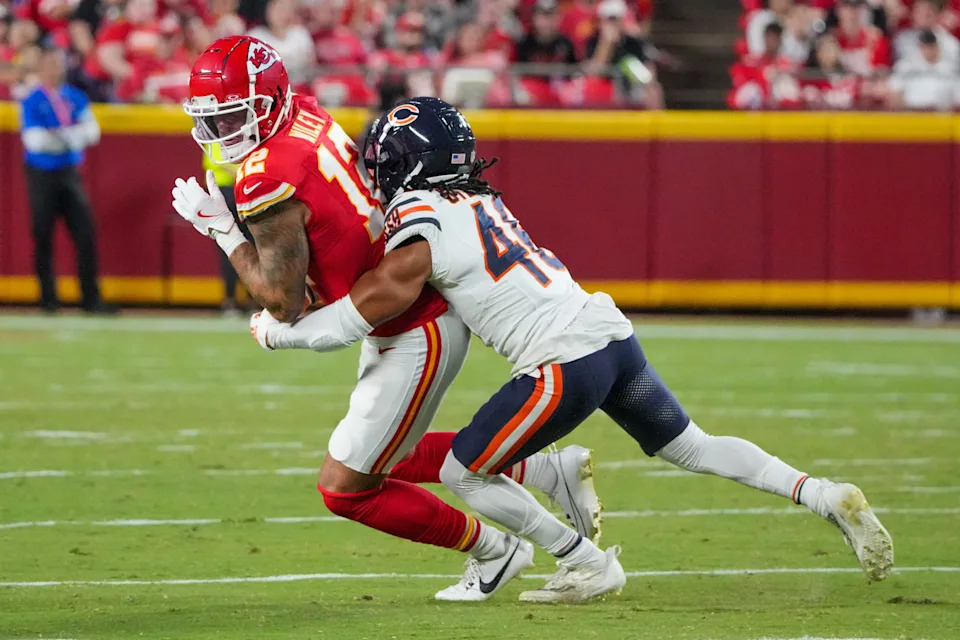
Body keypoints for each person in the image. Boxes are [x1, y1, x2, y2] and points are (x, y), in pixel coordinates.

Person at [250, 97, 896, 602]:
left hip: (561, 363)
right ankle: (821, 493)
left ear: (405, 167)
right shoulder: (477, 200)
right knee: (693, 446)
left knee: (464, 473)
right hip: (609, 336)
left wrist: (276, 330)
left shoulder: (419, 229)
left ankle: (584, 563)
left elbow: (348, 322)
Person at [171, 36, 600, 601]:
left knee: (346, 488)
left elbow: (282, 302)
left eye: (233, 116)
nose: (222, 132)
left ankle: (510, 551)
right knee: (388, 453)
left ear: (269, 102)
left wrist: (223, 231)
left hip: (408, 324)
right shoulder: (304, 113)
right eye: (213, 119)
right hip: (400, 306)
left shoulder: (264, 173)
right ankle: (544, 472)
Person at [20, 46, 113, 314]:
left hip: (70, 173)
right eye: (51, 63)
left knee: (85, 233)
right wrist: (71, 136)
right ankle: (48, 300)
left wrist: (59, 136)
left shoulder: (75, 96)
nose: (56, 69)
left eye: (60, 63)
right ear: (41, 68)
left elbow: (92, 132)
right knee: (43, 236)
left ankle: (91, 299)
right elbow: (35, 141)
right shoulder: (32, 100)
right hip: (41, 174)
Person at [888, 28, 959, 110]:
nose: (928, 51)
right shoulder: (906, 66)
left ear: (938, 47)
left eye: (931, 47)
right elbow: (894, 91)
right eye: (925, 47)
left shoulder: (950, 68)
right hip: (912, 112)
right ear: (920, 48)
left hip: (942, 112)